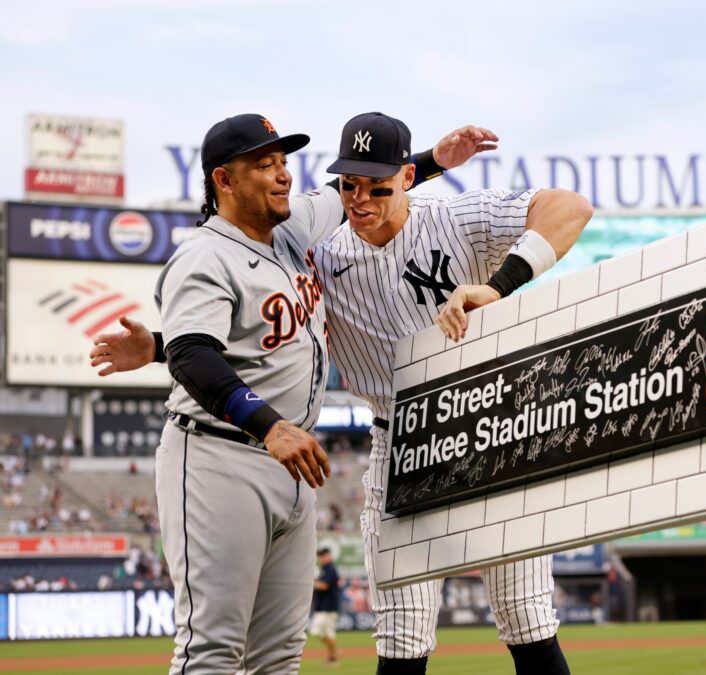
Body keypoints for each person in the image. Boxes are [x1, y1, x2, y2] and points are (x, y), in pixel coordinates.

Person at [92, 112, 588, 675]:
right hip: (350, 446)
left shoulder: (361, 223)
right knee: (378, 637)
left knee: (523, 622)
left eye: (283, 163)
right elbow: (212, 341)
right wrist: (168, 348)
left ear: (404, 178)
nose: (359, 198)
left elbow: (571, 207)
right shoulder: (297, 250)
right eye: (349, 184)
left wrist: (494, 276)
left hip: (474, 433)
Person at [312, 547, 342, 666]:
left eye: (324, 555)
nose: (322, 558)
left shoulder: (331, 569)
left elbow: (324, 586)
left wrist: (311, 582)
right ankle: (333, 655)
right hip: (323, 606)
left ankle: (334, 654)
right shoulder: (324, 569)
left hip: (328, 607)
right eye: (321, 556)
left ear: (329, 556)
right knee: (325, 633)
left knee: (317, 631)